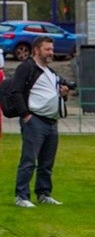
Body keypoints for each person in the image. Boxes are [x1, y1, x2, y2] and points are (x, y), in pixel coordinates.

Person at [10, 36, 70, 208]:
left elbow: (54, 96)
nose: (51, 52)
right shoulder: (27, 68)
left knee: (46, 162)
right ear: (37, 50)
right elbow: (16, 92)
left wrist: (64, 94)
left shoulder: (51, 73)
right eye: (47, 49)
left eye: (52, 49)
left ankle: (44, 193)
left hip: (51, 121)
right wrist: (25, 115)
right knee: (29, 159)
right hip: (34, 120)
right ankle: (21, 195)